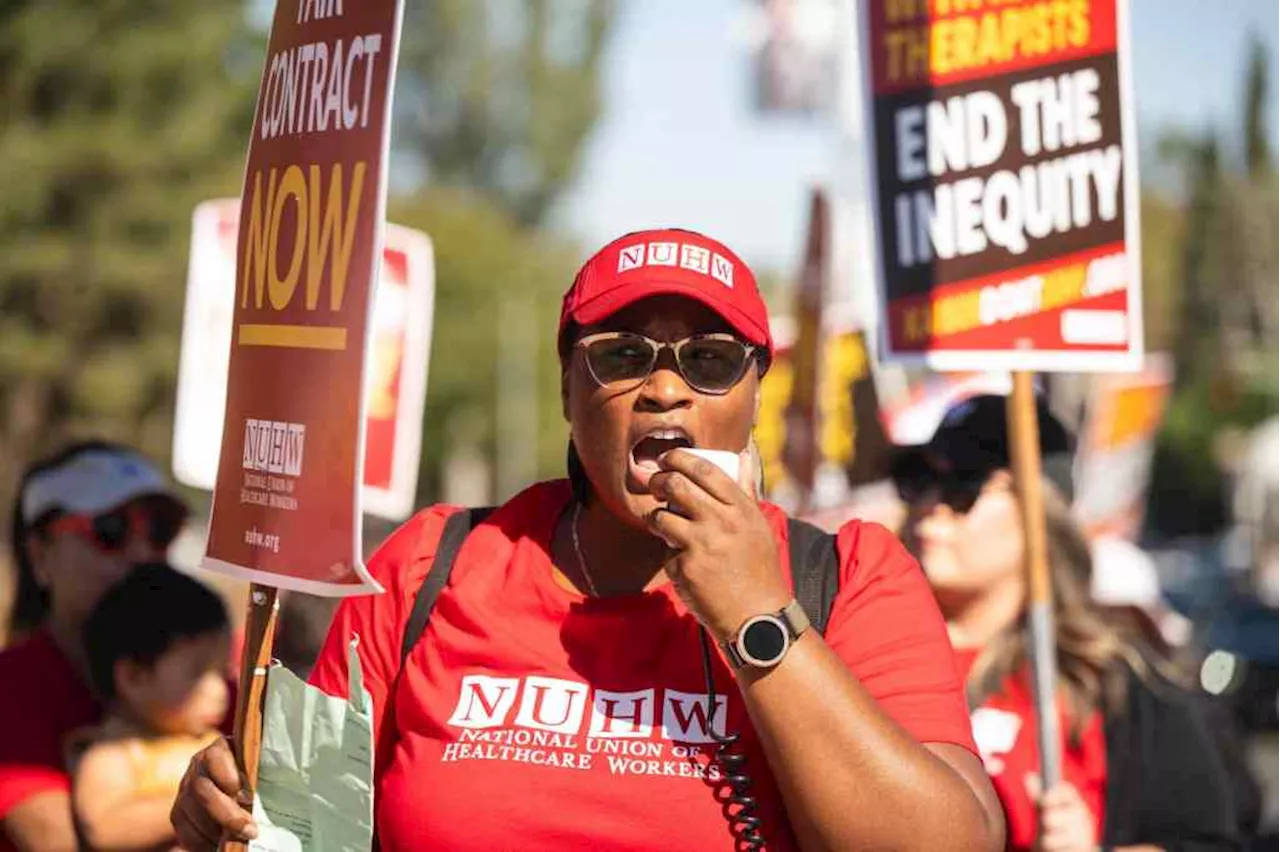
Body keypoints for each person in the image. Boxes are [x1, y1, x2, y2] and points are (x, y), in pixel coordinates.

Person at [172, 228, 1005, 851]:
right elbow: (307, 825)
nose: (667, 388)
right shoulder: (429, 567)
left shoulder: (851, 578)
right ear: (570, 386)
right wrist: (231, 810)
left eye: (711, 360)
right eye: (625, 355)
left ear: (756, 392)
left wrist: (761, 622)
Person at [893, 394, 1242, 852]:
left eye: (963, 486)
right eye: (918, 480)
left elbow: (1206, 841)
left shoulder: (1112, 675)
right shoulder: (864, 655)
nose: (931, 505)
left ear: (1041, 514)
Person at [1, 442, 189, 852]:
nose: (142, 554)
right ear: (40, 554)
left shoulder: (203, 684)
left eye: (159, 532)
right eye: (111, 530)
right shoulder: (9, 687)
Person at [68, 562, 231, 851]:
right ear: (133, 677)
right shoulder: (112, 753)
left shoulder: (210, 742)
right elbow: (104, 828)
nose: (219, 690)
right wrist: (195, 799)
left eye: (221, 671)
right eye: (197, 672)